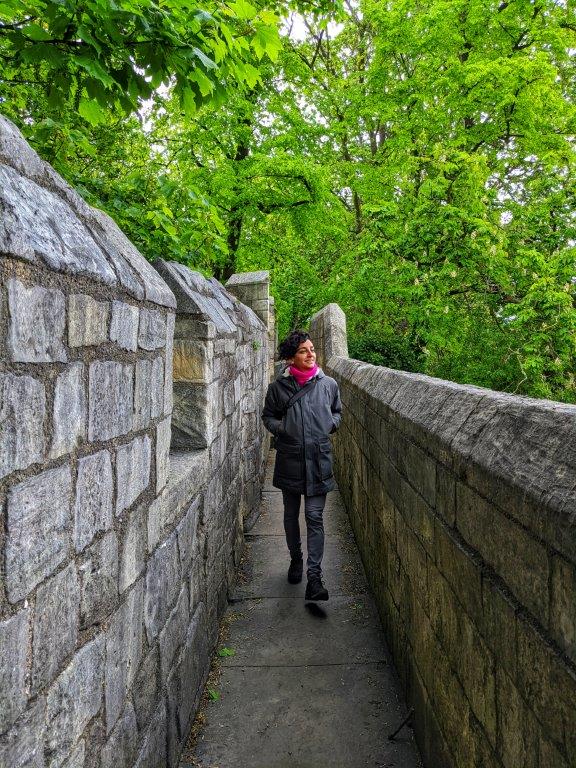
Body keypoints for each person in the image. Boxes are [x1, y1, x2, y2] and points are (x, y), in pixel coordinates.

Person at [262, 331, 342, 601]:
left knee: (315, 516)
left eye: (312, 349)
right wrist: (282, 428)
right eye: (303, 351)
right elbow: (268, 416)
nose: (311, 354)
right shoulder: (278, 388)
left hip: (319, 459)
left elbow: (337, 411)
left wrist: (331, 424)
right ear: (291, 358)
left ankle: (315, 577)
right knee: (291, 514)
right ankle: (296, 558)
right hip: (291, 459)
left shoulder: (328, 384)